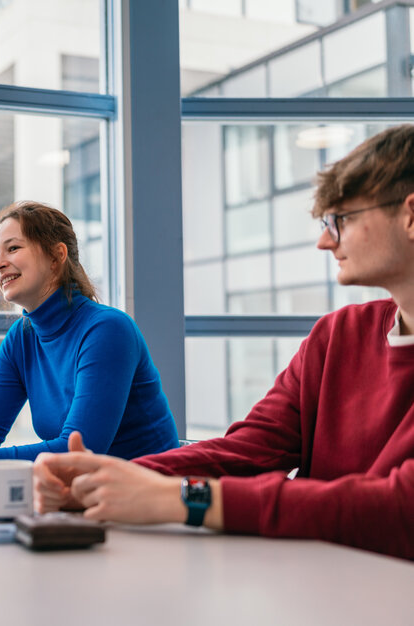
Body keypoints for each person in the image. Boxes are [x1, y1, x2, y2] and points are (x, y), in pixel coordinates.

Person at [32, 125, 414, 561]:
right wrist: (107, 479)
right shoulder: (337, 336)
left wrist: (182, 499)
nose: (325, 240)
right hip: (318, 585)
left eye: (341, 220)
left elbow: (400, 510)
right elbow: (249, 451)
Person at [0, 201, 179, 482]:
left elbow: (78, 452)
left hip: (151, 500)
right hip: (85, 498)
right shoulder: (21, 337)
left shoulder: (107, 329)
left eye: (13, 248)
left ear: (56, 255)